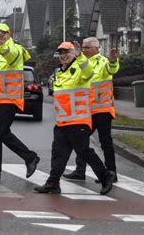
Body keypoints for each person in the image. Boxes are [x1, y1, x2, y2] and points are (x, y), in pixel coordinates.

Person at [34, 42, 115, 195]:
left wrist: (80, 56)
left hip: (78, 120)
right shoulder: (60, 73)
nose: (63, 55)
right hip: (62, 121)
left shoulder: (80, 69)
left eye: (67, 52)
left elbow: (89, 73)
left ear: (74, 53)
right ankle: (53, 183)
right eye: (61, 53)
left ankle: (106, 176)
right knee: (58, 153)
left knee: (84, 151)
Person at [0, 23, 40, 181]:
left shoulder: (15, 49)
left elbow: (11, 58)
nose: (0, 36)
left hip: (9, 100)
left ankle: (30, 157)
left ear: (9, 34)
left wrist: (3, 47)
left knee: (1, 132)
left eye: (3, 33)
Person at [63, 37, 120, 182]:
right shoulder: (82, 61)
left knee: (105, 142)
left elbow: (111, 69)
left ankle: (111, 173)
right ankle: (80, 171)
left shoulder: (103, 61)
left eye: (87, 47)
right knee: (80, 141)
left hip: (102, 110)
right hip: (85, 111)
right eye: (83, 47)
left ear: (96, 48)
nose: (84, 50)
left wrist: (113, 61)